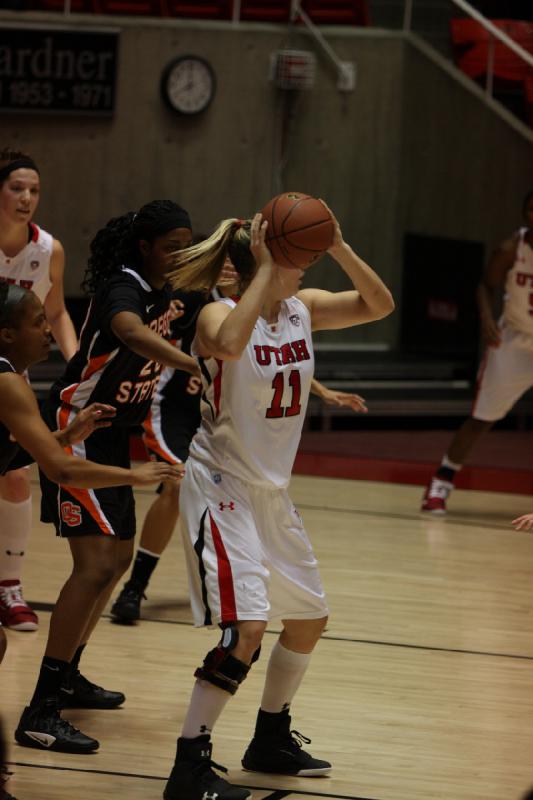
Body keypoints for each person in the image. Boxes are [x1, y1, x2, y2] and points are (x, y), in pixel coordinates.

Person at [161, 206, 394, 800]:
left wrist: (340, 244)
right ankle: (189, 767)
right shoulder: (216, 313)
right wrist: (264, 269)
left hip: (272, 494)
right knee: (247, 630)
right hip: (222, 488)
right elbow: (232, 346)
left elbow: (379, 305)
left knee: (310, 618)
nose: (308, 262)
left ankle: (270, 738)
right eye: (303, 254)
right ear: (265, 261)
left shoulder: (303, 308)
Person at [15, 200, 202, 755]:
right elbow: (129, 331)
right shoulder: (125, 286)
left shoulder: (174, 288)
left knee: (117, 561)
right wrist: (193, 365)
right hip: (80, 425)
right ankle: (40, 711)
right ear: (145, 246)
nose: (178, 254)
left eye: (185, 245)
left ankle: (68, 676)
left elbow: (216, 285)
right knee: (94, 566)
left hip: (113, 430)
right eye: (171, 245)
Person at [112, 250, 368, 625]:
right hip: (176, 403)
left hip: (219, 409)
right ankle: (135, 585)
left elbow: (269, 359)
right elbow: (158, 341)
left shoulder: (265, 307)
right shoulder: (197, 302)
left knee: (182, 486)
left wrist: (320, 389)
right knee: (176, 481)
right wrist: (190, 363)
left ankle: (238, 572)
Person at [0, 147, 78, 632]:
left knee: (14, 477)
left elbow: (56, 313)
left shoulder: (48, 249)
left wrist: (78, 366)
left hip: (10, 376)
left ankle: (9, 585)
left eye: (34, 191)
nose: (27, 198)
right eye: (16, 188)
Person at [422, 189, 533, 514]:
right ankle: (440, 483)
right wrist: (486, 317)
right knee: (482, 418)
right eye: (529, 209)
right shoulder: (512, 249)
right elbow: (485, 285)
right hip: (514, 340)